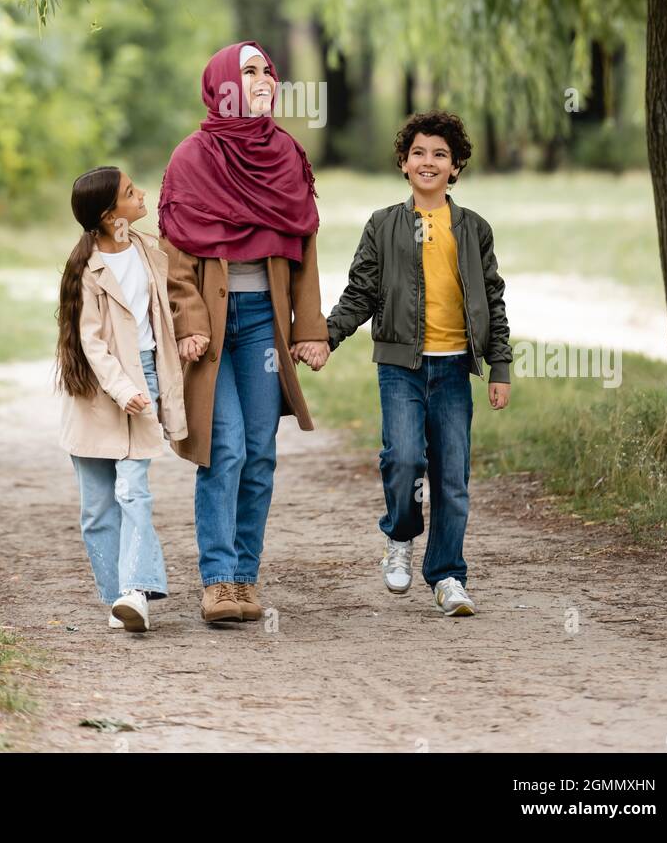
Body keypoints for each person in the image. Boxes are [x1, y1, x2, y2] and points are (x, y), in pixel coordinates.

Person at [159, 40, 329, 625]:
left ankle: (245, 579)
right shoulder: (191, 158)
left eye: (268, 71)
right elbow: (177, 255)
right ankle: (217, 579)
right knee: (224, 446)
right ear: (223, 84)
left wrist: (310, 328)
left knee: (260, 452)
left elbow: (305, 246)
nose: (263, 79)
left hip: (263, 325)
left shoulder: (286, 155)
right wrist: (189, 323)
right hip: (211, 325)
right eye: (250, 71)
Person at [324, 111, 512, 616]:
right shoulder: (384, 225)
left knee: (452, 477)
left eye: (440, 155)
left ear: (456, 167)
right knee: (404, 458)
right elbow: (360, 293)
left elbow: (492, 298)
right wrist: (327, 336)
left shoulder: (473, 229)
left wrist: (500, 366)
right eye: (419, 153)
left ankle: (448, 575)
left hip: (453, 369)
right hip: (400, 367)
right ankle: (401, 535)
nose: (428, 162)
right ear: (404, 164)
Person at [55, 165, 187, 632]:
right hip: (96, 391)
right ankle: (117, 598)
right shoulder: (87, 269)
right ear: (112, 215)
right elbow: (91, 342)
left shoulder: (151, 252)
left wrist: (188, 338)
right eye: (132, 193)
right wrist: (122, 387)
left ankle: (136, 591)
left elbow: (176, 302)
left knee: (134, 491)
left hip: (144, 378)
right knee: (96, 508)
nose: (142, 194)